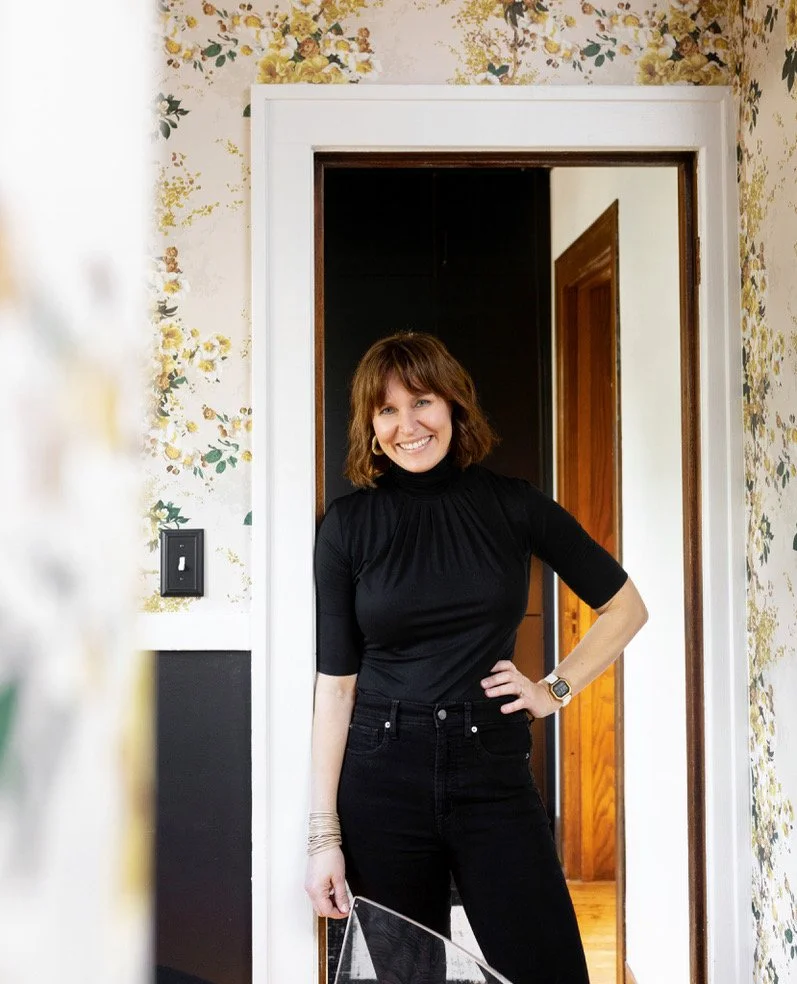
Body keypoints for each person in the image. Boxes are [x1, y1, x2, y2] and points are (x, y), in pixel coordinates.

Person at [304, 332, 648, 984]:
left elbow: (625, 607)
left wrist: (555, 689)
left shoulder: (512, 505)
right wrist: (324, 836)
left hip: (488, 768)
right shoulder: (347, 527)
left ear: (454, 406)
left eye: (422, 402)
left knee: (547, 970)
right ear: (370, 428)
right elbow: (335, 686)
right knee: (406, 977)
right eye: (386, 411)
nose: (407, 425)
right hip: (381, 777)